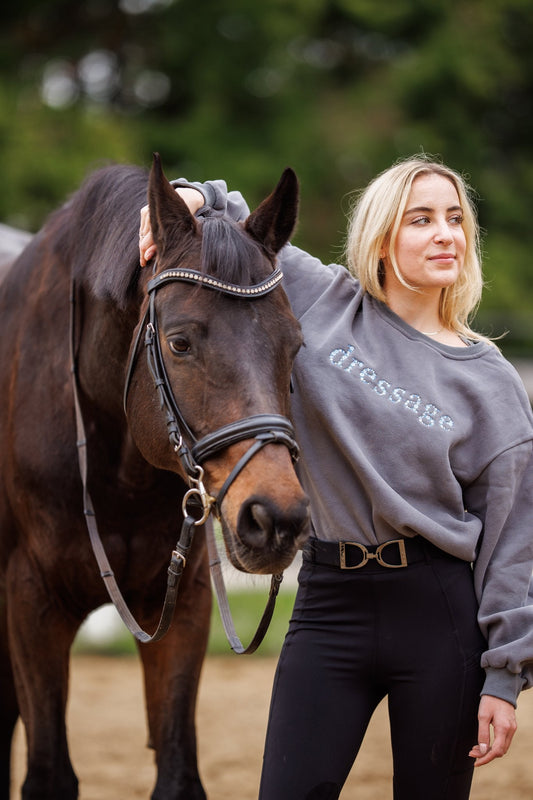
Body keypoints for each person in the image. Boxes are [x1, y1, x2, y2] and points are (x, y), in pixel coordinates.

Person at [139, 155, 533, 800]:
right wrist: (187, 193)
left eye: (456, 220)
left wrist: (504, 679)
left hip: (438, 614)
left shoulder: (491, 381)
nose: (446, 235)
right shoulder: (321, 299)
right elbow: (232, 212)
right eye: (422, 219)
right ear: (382, 240)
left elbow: (514, 540)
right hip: (328, 605)